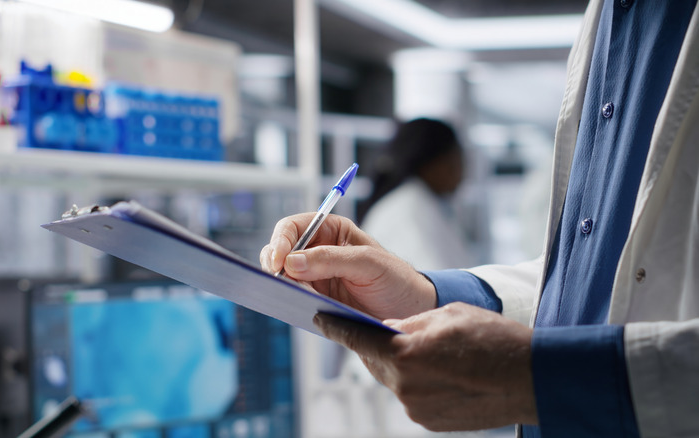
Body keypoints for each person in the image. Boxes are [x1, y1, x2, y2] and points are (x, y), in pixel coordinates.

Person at [260, 1, 699, 437]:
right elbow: (585, 284)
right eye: (458, 161)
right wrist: (431, 295)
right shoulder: (602, 17)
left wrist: (541, 376)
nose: (463, 173)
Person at [358, 118, 474, 271]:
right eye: (456, 160)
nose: (463, 172)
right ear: (432, 162)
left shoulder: (423, 202)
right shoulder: (408, 210)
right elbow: (433, 280)